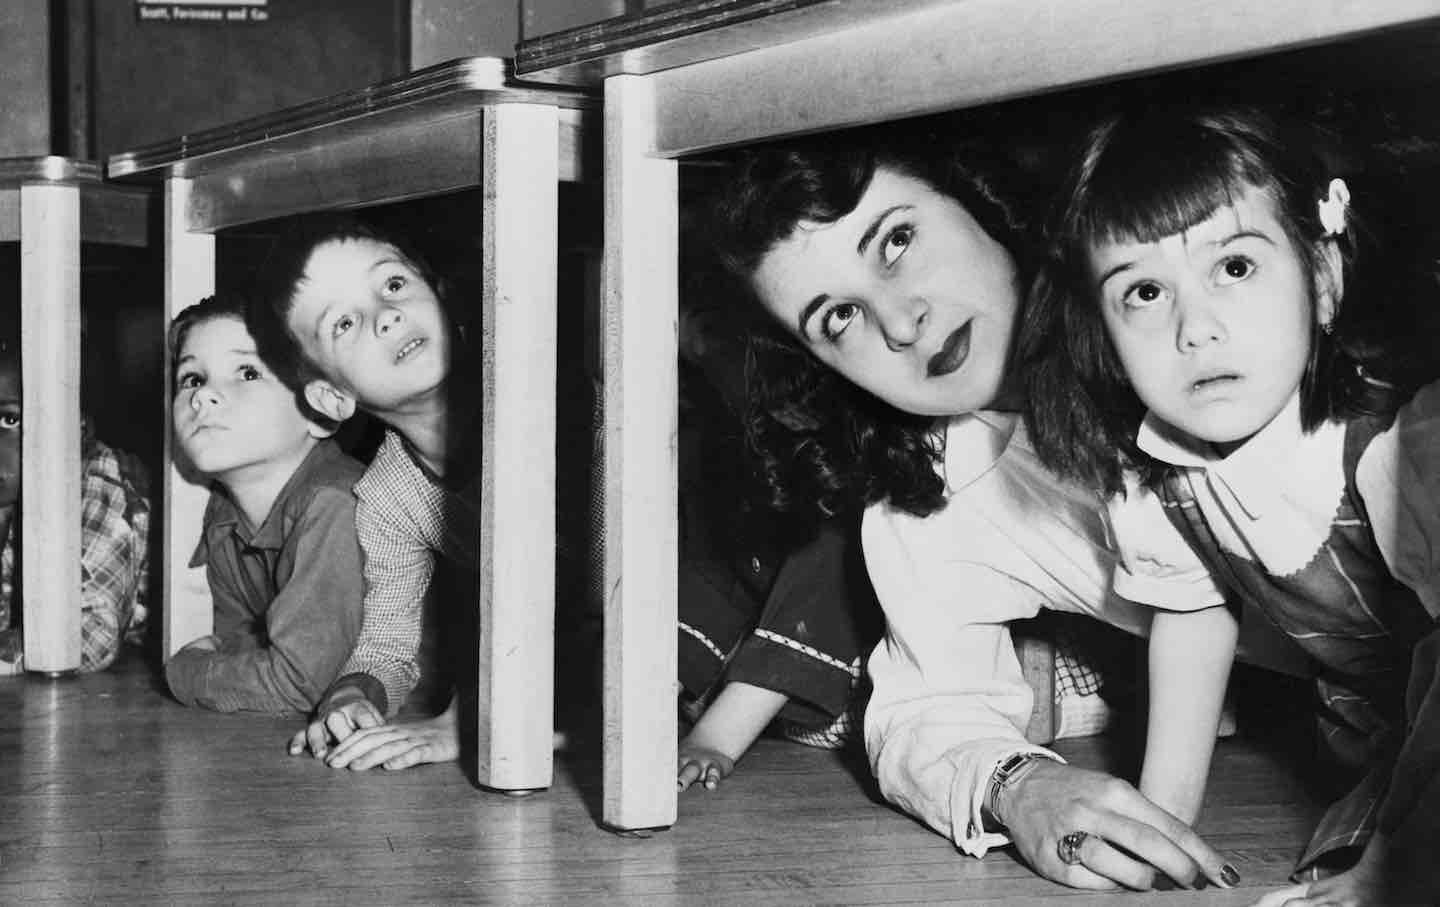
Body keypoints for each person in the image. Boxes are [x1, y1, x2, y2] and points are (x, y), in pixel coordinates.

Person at [695, 129, 1238, 891]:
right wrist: (1022, 788)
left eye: (896, 242)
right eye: (839, 319)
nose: (901, 322)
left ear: (975, 195)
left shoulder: (1189, 306)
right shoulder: (933, 493)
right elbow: (925, 710)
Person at [1023, 104, 1440, 905]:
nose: (1194, 328)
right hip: (1389, 741)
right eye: (1144, 291)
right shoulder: (1164, 480)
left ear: (1324, 277)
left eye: (1235, 267)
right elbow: (1193, 619)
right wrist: (1161, 817)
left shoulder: (1406, 447)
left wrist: (1395, 861)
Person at [247, 214, 481, 770]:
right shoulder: (388, 492)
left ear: (445, 300)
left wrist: (472, 719)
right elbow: (388, 640)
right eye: (345, 324)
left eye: (393, 285)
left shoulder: (553, 406)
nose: (386, 316)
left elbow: (568, 598)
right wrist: (354, 693)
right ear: (331, 399)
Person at [674, 304, 885, 791]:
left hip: (858, 654)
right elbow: (711, 575)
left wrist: (715, 738)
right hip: (773, 643)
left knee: (833, 536)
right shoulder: (716, 433)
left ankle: (728, 717)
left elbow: (827, 586)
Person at [163, 293, 367, 714]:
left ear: (320, 412)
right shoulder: (224, 517)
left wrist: (185, 673)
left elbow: (298, 683)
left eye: (247, 372)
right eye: (193, 379)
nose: (203, 397)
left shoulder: (337, 503)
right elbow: (240, 648)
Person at [0, 329, 151, 676]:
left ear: (77, 428)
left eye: (9, 420)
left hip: (138, 678)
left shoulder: (97, 481)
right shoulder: (12, 487)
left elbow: (85, 638)